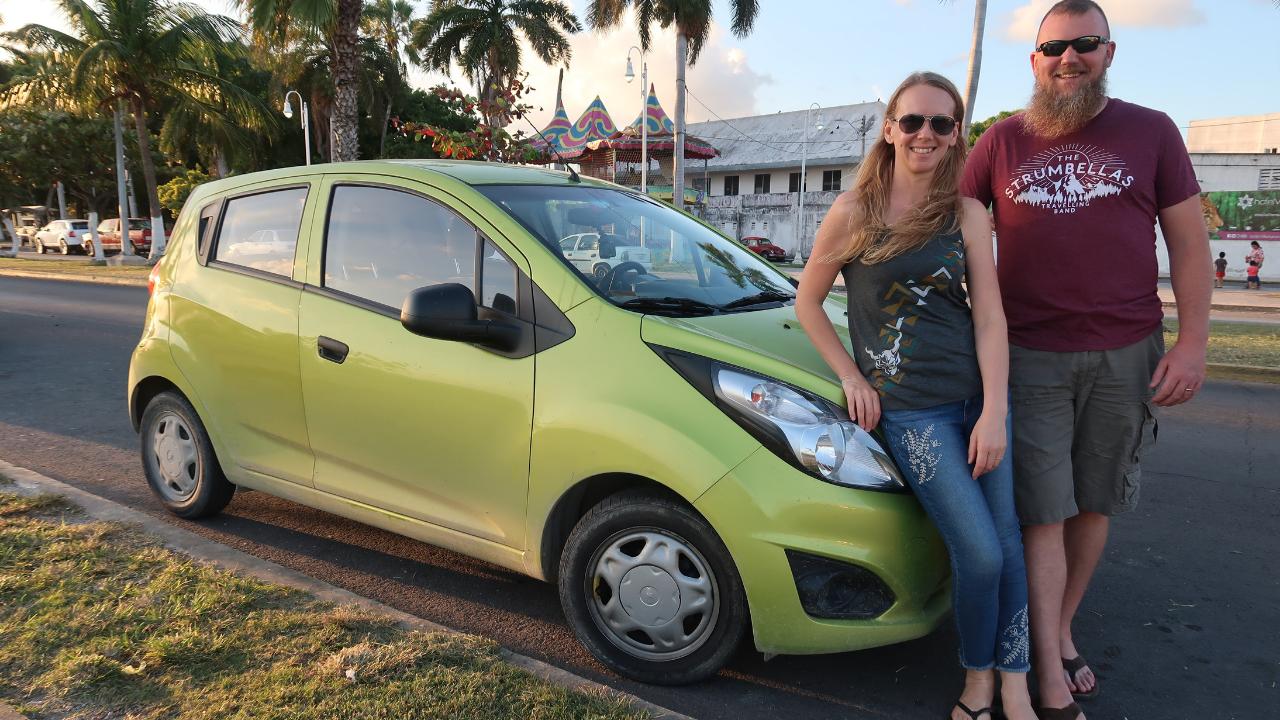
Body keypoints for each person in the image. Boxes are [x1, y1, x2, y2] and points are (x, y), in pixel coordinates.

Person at [960, 2, 1211, 718]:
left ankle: (1062, 625)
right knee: (1043, 510)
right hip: (1030, 354)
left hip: (1127, 351)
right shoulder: (1000, 141)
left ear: (1109, 52)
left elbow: (1189, 245)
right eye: (1054, 47)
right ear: (1033, 61)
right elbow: (945, 223)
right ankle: (1046, 666)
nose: (1069, 58)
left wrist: (1193, 343)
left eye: (1085, 44)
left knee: (1095, 500)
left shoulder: (1152, 131)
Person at [796, 72, 1035, 720]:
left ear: (957, 134)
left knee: (1007, 544)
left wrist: (992, 411)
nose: (925, 134)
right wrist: (850, 376)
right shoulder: (853, 214)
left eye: (940, 123)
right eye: (913, 121)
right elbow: (809, 303)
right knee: (980, 555)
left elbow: (989, 317)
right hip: (914, 413)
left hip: (976, 403)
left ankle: (1014, 683)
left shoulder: (967, 213)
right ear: (890, 130)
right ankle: (976, 678)